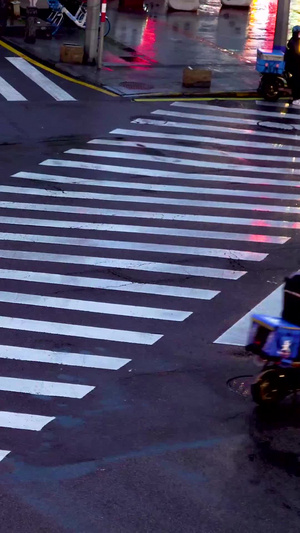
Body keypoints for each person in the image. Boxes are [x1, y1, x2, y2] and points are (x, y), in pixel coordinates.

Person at [284, 25, 300, 105]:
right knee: (297, 81)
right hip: (294, 66)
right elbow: (297, 55)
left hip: (291, 65)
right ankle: (295, 98)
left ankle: (292, 97)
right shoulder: (295, 42)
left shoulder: (292, 41)